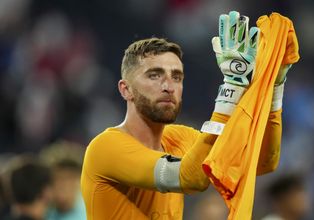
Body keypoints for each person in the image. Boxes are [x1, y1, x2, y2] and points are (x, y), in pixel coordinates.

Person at [81, 11, 290, 219]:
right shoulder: (106, 148)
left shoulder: (181, 139)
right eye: (154, 75)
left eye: (177, 77)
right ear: (125, 89)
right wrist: (232, 88)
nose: (168, 86)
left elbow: (263, 162)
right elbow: (190, 178)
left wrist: (274, 87)